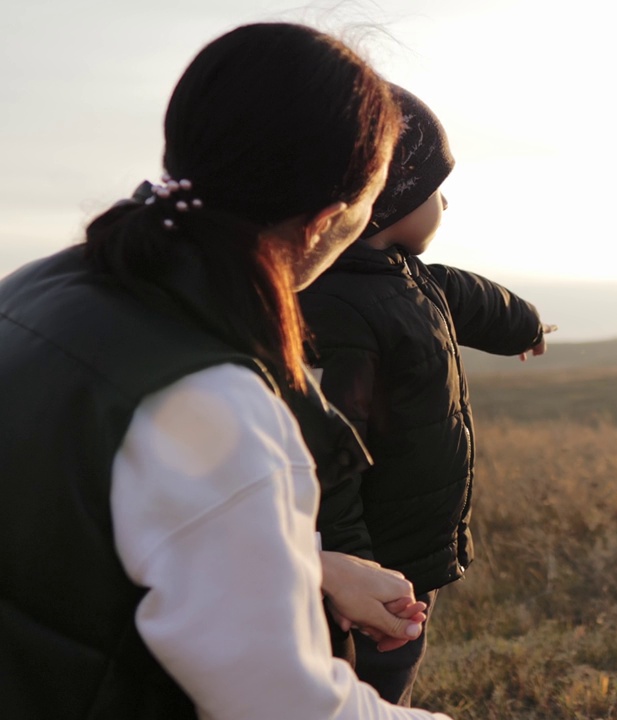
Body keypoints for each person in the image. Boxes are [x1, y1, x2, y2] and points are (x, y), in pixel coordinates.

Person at [0, 23, 454, 720]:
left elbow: (82, 532)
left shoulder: (41, 288)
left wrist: (310, 567)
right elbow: (285, 708)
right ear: (328, 219)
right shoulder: (216, 402)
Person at [300, 84, 553, 705]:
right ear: (385, 202)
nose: (446, 201)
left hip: (402, 550)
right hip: (369, 568)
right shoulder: (341, 311)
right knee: (366, 686)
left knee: (391, 677)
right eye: (436, 189)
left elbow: (469, 297)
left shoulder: (407, 279)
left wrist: (524, 324)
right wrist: (352, 566)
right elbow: (330, 453)